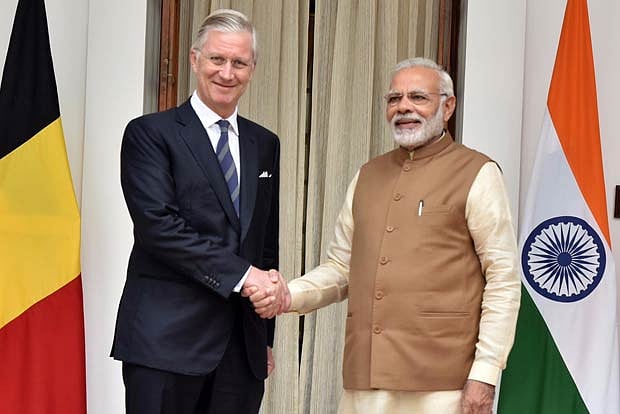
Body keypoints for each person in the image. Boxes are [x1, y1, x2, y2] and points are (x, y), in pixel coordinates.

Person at [245, 57, 521, 414]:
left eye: (418, 97)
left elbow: (502, 279)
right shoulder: (368, 175)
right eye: (394, 98)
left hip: (443, 384)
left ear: (448, 106)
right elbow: (341, 268)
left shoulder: (478, 172)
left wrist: (485, 373)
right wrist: (288, 295)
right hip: (366, 382)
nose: (403, 107)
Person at [111, 9, 289, 414]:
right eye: (217, 59)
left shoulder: (265, 144)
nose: (227, 72)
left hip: (240, 351)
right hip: (165, 345)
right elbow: (159, 228)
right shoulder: (149, 134)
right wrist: (245, 277)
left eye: (239, 62)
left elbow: (265, 243)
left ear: (252, 69)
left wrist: (264, 337)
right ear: (195, 60)